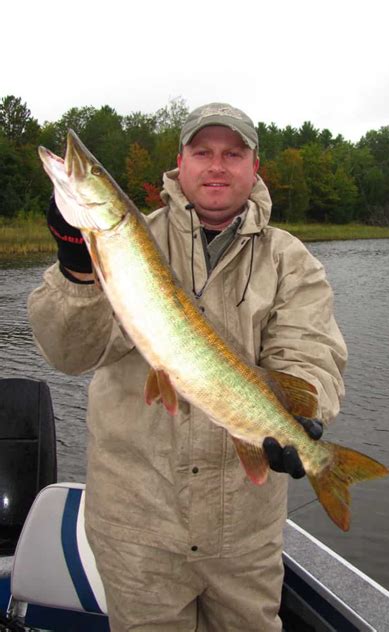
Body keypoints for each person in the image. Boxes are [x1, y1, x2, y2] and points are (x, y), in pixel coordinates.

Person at [28, 103, 347, 631]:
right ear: (180, 162)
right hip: (138, 528)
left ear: (254, 167)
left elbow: (309, 349)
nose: (216, 165)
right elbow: (69, 353)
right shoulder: (128, 238)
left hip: (244, 533)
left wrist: (304, 410)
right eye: (203, 152)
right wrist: (77, 269)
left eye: (232, 153)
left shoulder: (291, 260)